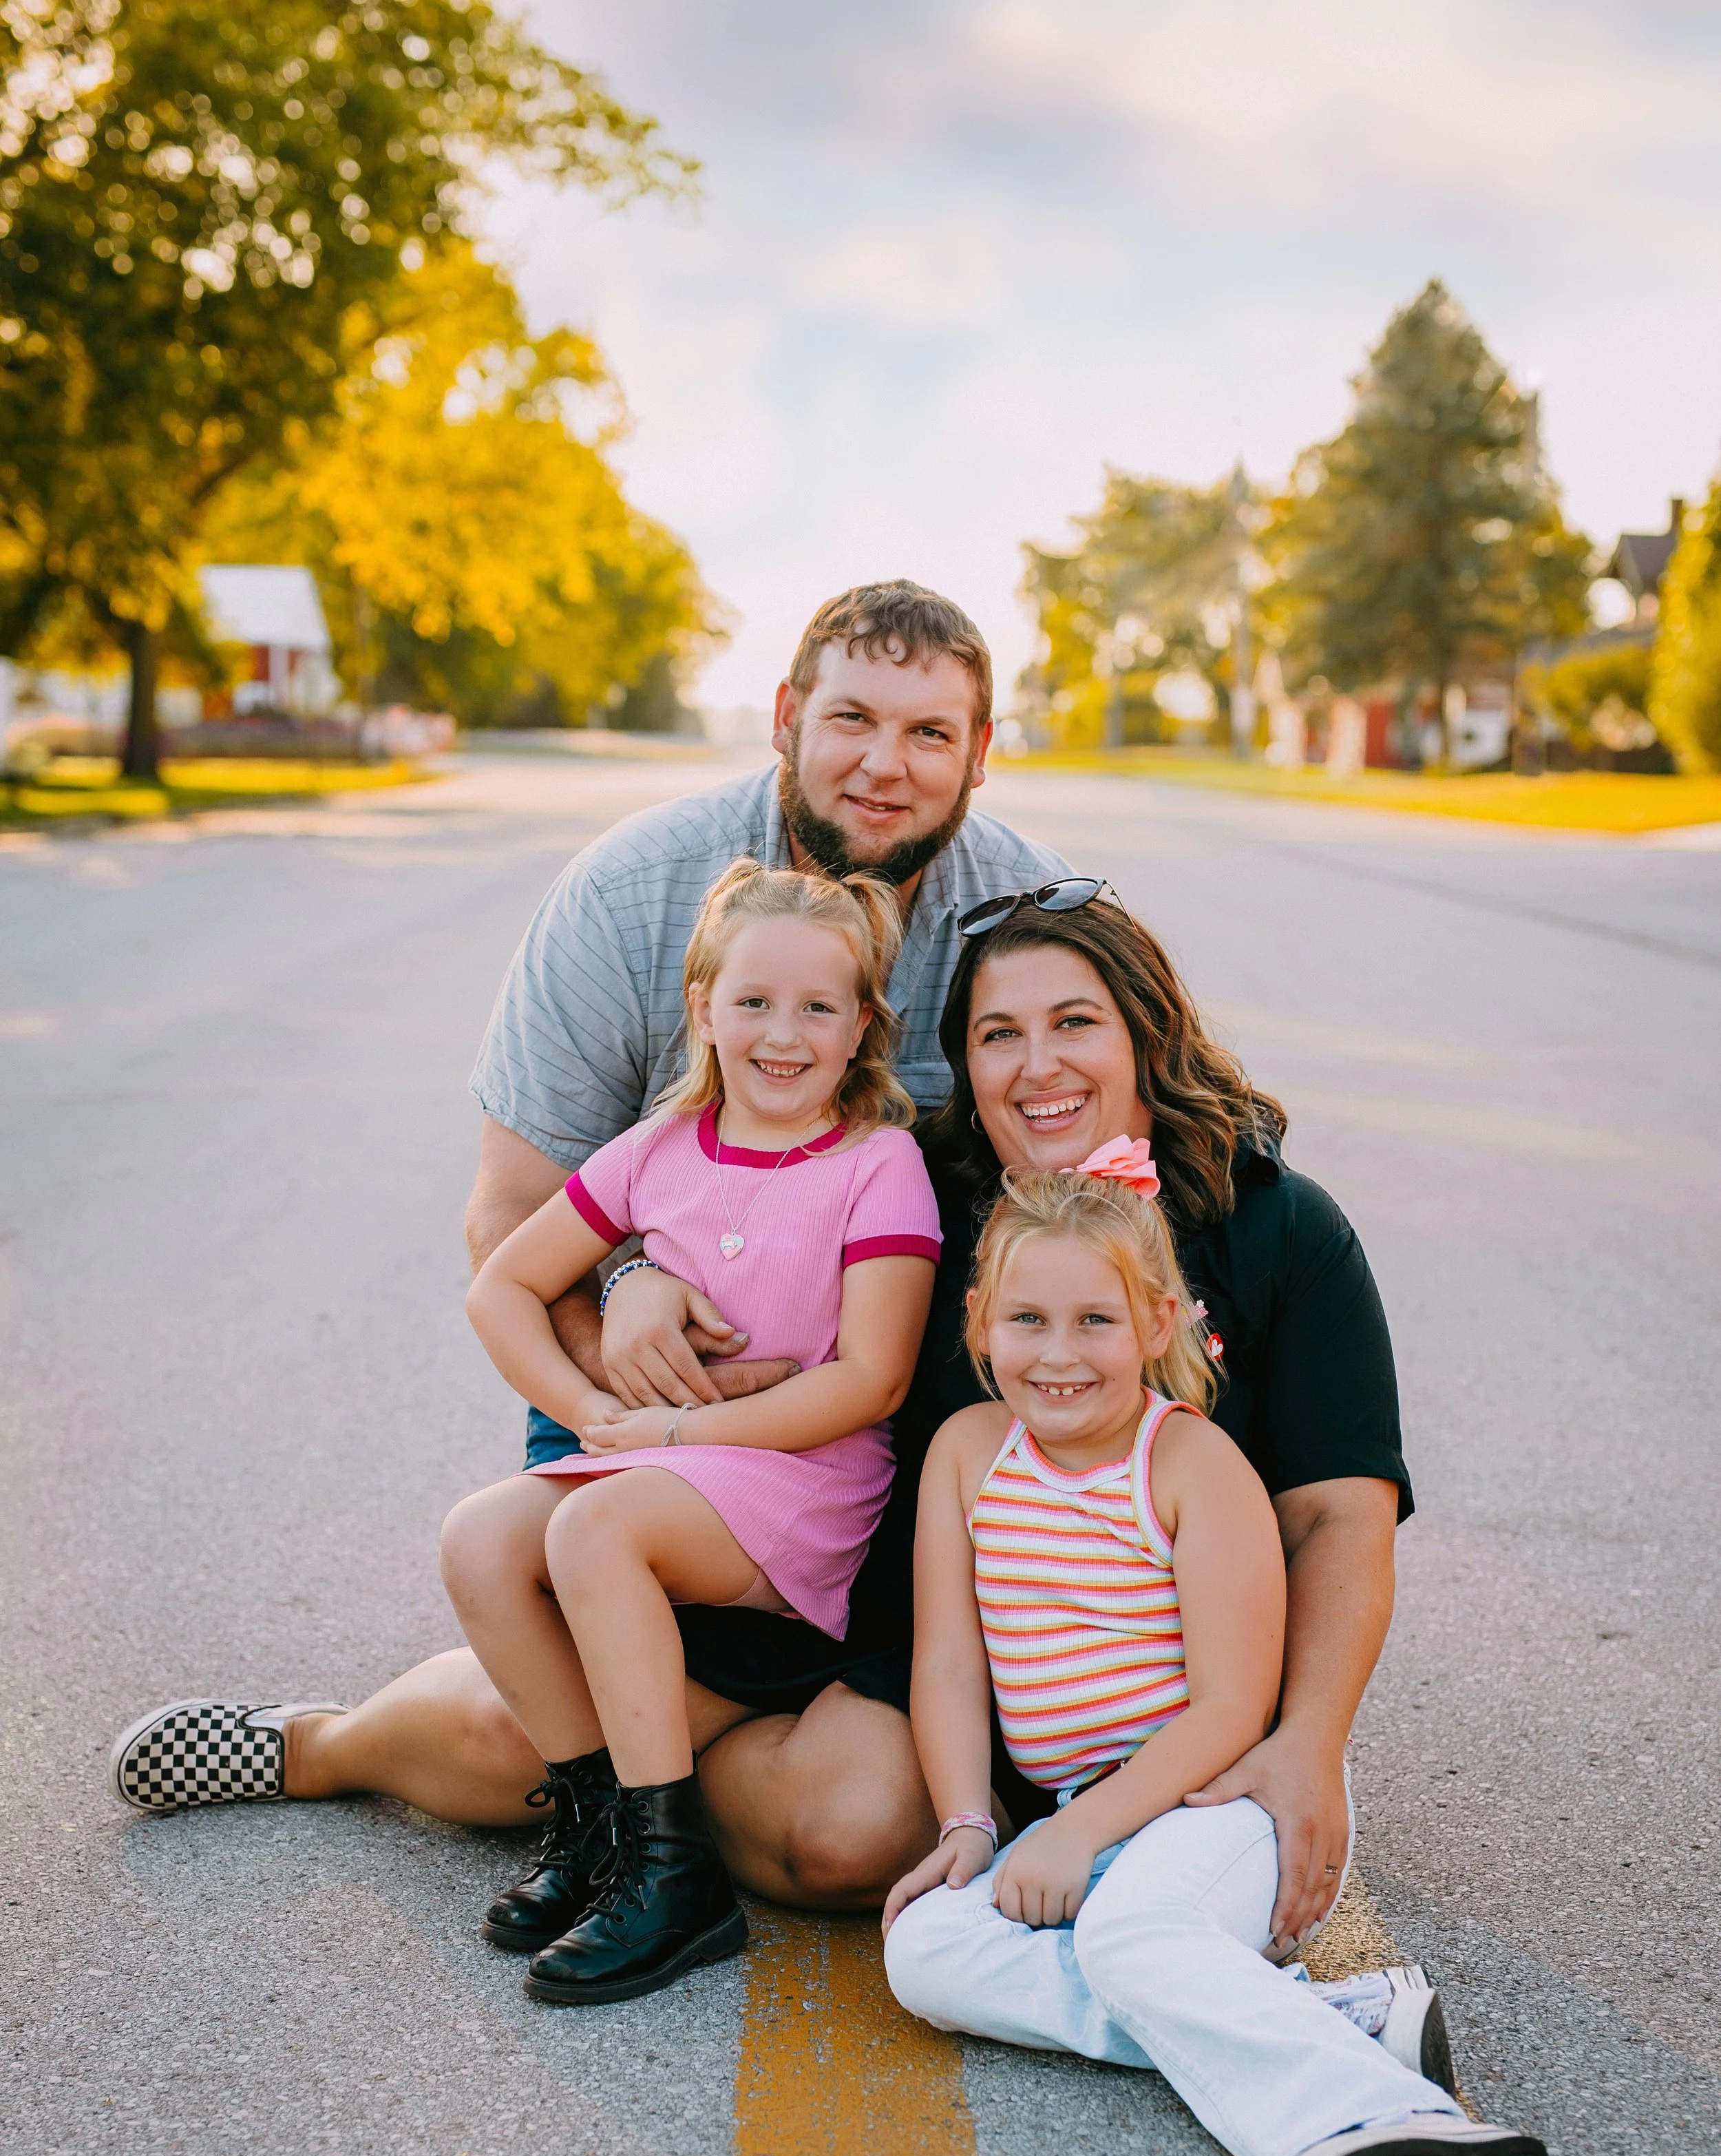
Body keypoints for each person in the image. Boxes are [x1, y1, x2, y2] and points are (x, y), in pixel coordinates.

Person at [109, 590, 1403, 1969]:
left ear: (980, 751)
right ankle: (349, 1745)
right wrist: (630, 1295)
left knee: (811, 1814)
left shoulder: (1183, 1135)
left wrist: (1306, 1741)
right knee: (527, 1735)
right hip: (707, 1424)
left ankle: (623, 1776)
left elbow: (1334, 1512)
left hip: (929, 1521)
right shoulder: (638, 901)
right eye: (849, 718)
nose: (883, 764)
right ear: (785, 718)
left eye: (928, 732)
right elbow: (510, 1215)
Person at [879, 1163, 1546, 2156]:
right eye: (1027, 1319)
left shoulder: (1190, 1463)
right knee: (925, 1952)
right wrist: (968, 1827)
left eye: (1095, 1319)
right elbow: (949, 1665)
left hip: (1224, 1800)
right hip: (1081, 1822)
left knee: (1131, 1933)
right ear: (980, 1324)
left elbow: (1237, 1707)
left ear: (1155, 1322)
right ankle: (1335, 2023)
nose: (1058, 1353)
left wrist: (1082, 1835)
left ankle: (1375, 2124)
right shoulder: (967, 1454)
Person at [439, 860, 938, 2005]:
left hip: (805, 1490)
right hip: (671, 1458)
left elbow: (870, 1378)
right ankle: (600, 1830)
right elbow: (500, 1292)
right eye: (754, 1001)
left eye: (821, 1006)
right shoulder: (658, 1151)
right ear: (703, 1004)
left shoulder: (879, 1165)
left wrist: (665, 1435)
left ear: (862, 1024)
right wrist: (596, 1417)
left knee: (596, 1529)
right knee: (481, 1538)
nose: (784, 1032)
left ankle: (676, 1882)